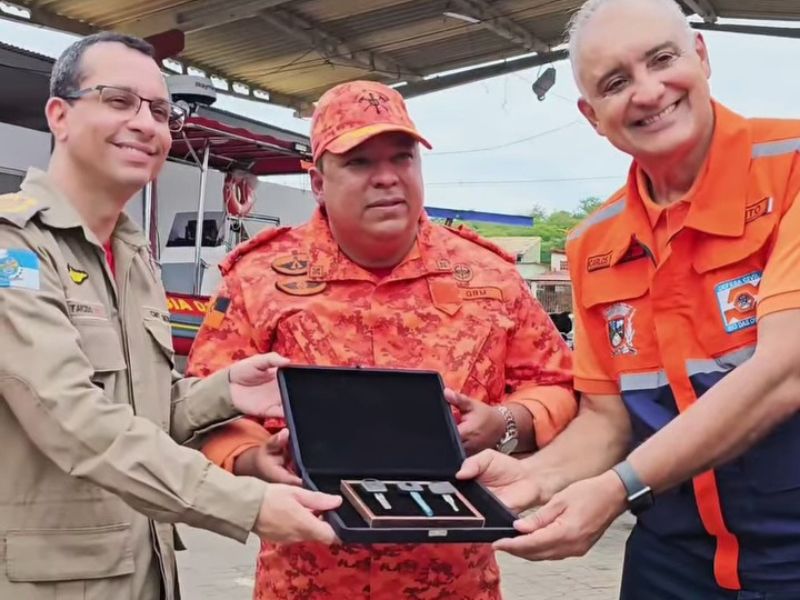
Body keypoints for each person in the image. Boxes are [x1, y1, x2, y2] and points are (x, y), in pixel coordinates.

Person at [457, 0, 800, 597]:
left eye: (661, 59)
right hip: (671, 563)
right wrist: (535, 477)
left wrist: (617, 488)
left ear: (701, 55)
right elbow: (609, 418)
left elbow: (784, 371)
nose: (647, 93)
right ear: (593, 116)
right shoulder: (596, 243)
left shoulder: (791, 168)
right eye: (615, 83)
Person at [186, 79, 576, 599]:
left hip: (454, 582)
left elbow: (557, 385)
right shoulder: (260, 279)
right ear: (318, 181)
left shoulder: (489, 276)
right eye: (360, 162)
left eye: (402, 157)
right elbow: (202, 403)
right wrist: (254, 459)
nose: (388, 178)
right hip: (307, 579)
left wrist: (504, 424)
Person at [0, 32, 341, 600]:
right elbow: (74, 421)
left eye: (160, 111)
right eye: (118, 101)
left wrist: (226, 391)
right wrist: (249, 506)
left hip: (143, 572)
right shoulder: (12, 248)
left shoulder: (133, 257)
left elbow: (142, 412)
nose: (146, 124)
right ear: (59, 115)